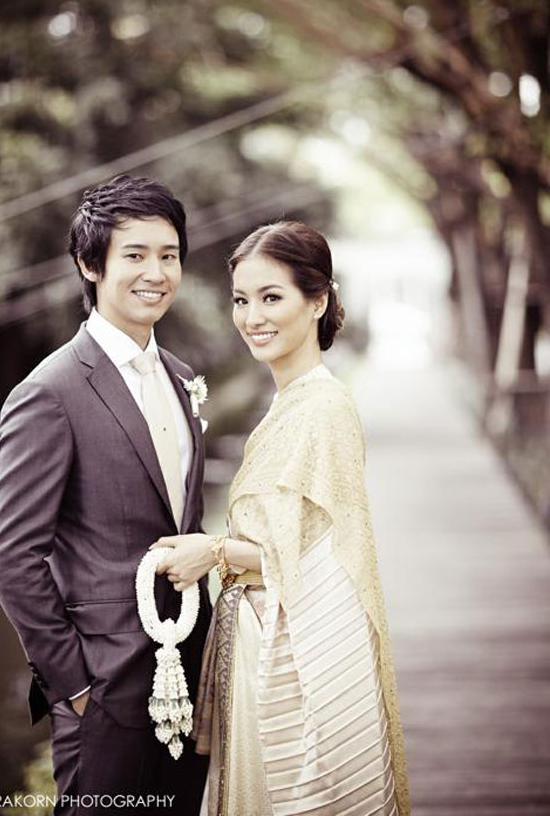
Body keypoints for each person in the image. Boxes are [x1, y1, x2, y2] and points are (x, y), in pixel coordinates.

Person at [153, 220, 411, 816]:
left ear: (317, 301)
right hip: (256, 637)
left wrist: (213, 551)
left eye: (272, 297)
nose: (252, 317)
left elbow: (322, 556)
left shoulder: (323, 406)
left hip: (292, 653)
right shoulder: (289, 403)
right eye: (242, 300)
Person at [0, 174, 212, 816]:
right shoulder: (49, 392)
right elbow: (12, 557)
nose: (156, 273)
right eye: (135, 255)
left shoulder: (183, 378)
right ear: (91, 264)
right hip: (103, 687)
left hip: (188, 674)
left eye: (169, 255)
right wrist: (76, 685)